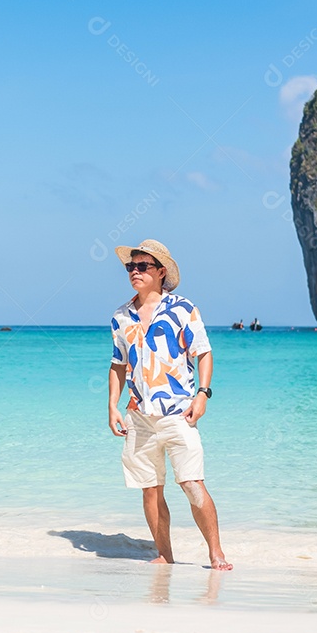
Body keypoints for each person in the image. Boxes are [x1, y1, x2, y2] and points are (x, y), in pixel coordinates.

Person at [107, 239, 232, 570]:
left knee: (192, 483)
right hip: (138, 415)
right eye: (130, 267)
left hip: (178, 412)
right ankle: (164, 554)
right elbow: (118, 364)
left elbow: (203, 352)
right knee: (150, 490)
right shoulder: (121, 317)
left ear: (161, 272)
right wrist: (112, 405)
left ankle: (215, 552)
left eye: (142, 266)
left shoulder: (182, 310)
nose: (134, 272)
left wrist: (203, 394)